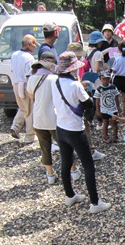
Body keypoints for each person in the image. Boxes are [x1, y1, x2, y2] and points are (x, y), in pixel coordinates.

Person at [51, 51, 111, 214]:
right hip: (75, 130)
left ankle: (70, 195)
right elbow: (88, 103)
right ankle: (95, 202)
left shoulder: (55, 82)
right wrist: (90, 118)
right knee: (88, 166)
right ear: (72, 69)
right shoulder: (75, 85)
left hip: (60, 127)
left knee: (66, 162)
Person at [27, 51, 80, 184]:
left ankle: (50, 175)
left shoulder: (32, 78)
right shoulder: (54, 79)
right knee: (65, 147)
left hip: (38, 118)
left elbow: (31, 97)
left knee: (44, 148)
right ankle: (73, 171)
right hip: (54, 119)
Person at [66, 42, 106, 161]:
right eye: (78, 56)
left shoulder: (68, 69)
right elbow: (73, 85)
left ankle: (78, 150)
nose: (79, 58)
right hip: (76, 102)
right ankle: (89, 151)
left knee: (78, 126)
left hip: (71, 102)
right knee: (83, 126)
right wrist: (82, 85)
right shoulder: (69, 70)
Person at [10, 34, 37, 143]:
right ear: (29, 44)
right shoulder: (29, 58)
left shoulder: (14, 54)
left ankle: (15, 127)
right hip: (25, 85)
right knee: (29, 111)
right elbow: (28, 75)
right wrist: (32, 90)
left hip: (16, 84)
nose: (35, 46)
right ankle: (30, 136)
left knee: (22, 108)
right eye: (34, 44)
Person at [93, 70, 120, 143]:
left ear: (109, 79)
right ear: (100, 79)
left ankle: (115, 135)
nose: (105, 81)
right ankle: (105, 136)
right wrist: (98, 110)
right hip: (104, 110)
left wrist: (118, 107)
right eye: (103, 79)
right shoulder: (99, 90)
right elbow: (97, 101)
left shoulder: (113, 87)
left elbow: (116, 97)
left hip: (113, 108)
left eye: (107, 79)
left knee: (114, 122)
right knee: (105, 123)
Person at [111, 42, 125, 115]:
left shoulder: (118, 59)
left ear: (119, 50)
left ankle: (118, 108)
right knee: (124, 97)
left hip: (117, 78)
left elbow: (114, 70)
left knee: (115, 95)